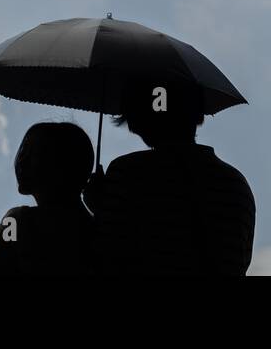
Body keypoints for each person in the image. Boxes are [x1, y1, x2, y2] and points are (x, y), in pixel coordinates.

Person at [86, 79, 255, 275]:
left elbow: (110, 255)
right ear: (199, 116)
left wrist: (99, 208)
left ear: (135, 120)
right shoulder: (236, 184)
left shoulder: (129, 173)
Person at [0, 121, 96, 276]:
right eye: (22, 151)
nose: (21, 160)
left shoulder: (16, 223)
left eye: (31, 152)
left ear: (59, 164)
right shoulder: (103, 232)